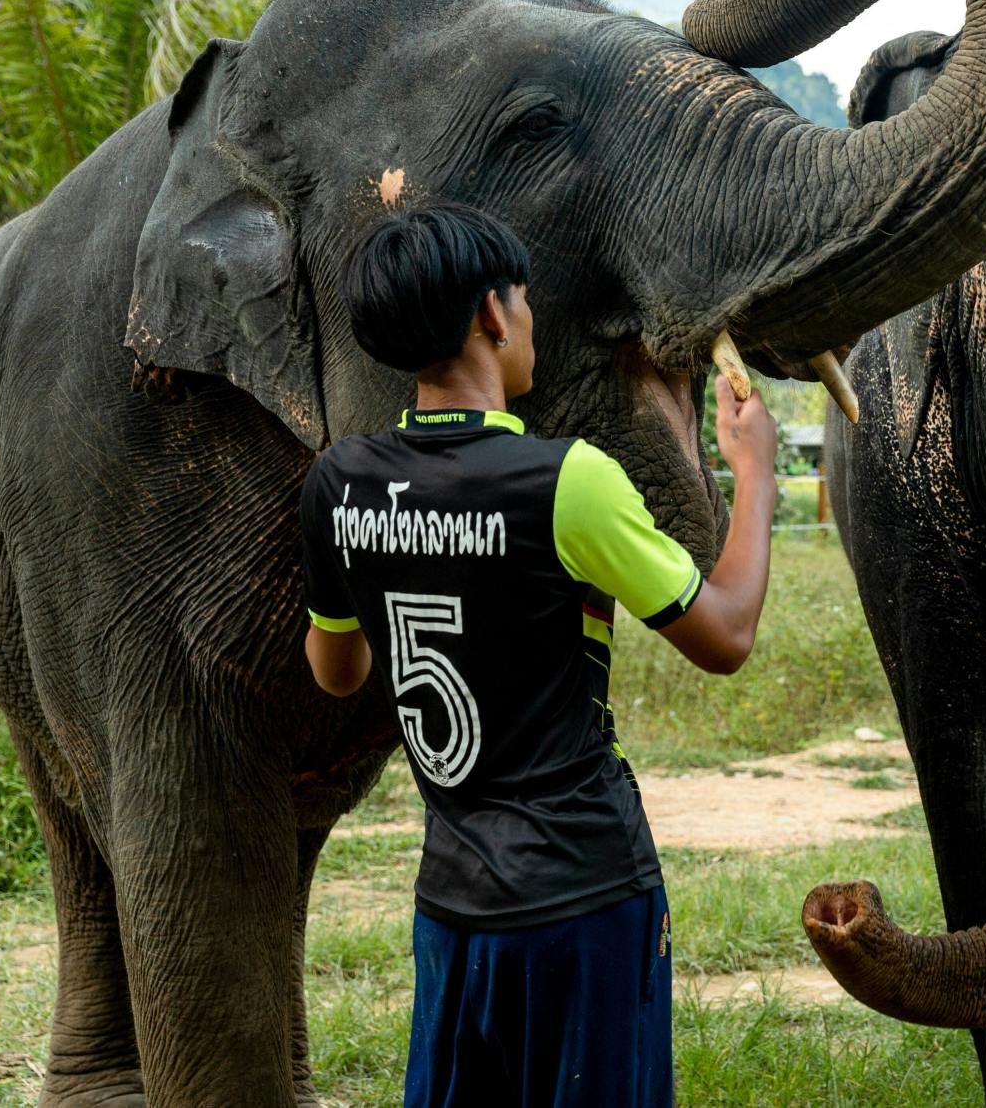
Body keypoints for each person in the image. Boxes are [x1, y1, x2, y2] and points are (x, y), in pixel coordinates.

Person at [298, 201, 777, 1108]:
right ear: (492, 313)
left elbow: (338, 672)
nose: (529, 320)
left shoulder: (339, 482)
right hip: (585, 896)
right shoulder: (569, 481)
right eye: (523, 298)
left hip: (451, 903)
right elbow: (727, 634)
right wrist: (752, 474)